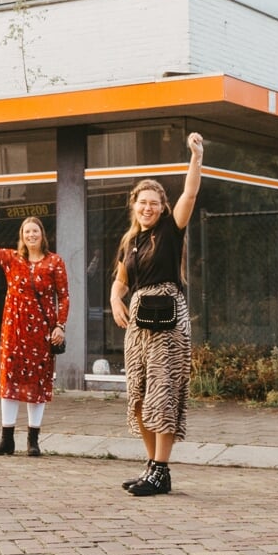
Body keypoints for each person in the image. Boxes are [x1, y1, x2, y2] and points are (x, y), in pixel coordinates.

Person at [109, 131, 205, 497]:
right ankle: (151, 467)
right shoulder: (129, 242)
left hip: (168, 320)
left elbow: (190, 194)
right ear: (133, 206)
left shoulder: (170, 229)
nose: (147, 207)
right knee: (137, 396)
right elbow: (120, 283)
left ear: (162, 207)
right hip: (138, 322)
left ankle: (161, 470)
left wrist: (195, 157)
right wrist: (117, 301)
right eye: (142, 203)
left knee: (162, 394)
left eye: (154, 203)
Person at [0, 201, 70, 458]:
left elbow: (64, 297)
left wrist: (60, 326)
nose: (31, 235)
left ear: (43, 235)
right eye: (27, 232)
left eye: (35, 231)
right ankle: (6, 439)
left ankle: (33, 440)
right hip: (13, 330)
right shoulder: (11, 259)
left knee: (37, 383)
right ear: (21, 236)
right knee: (9, 381)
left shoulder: (55, 262)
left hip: (42, 334)